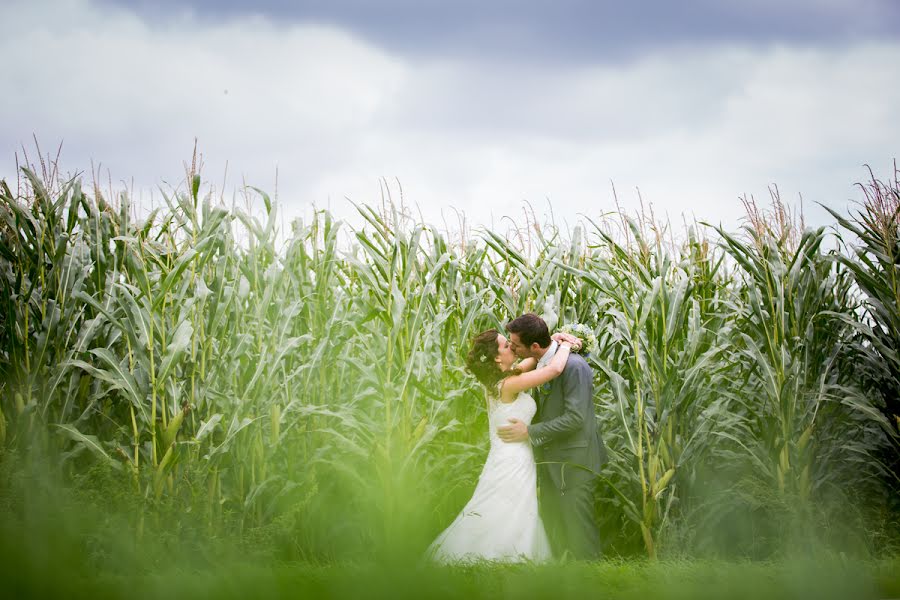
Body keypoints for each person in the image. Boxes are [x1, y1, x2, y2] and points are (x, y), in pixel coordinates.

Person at [426, 327, 580, 563]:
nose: (512, 346)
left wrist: (555, 341)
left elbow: (532, 360)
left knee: (507, 508)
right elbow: (554, 369)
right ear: (497, 358)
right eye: (506, 345)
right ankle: (499, 558)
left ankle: (504, 559)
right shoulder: (507, 385)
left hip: (509, 455)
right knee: (507, 509)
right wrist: (568, 345)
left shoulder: (502, 380)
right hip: (512, 458)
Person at [498, 313, 606, 560]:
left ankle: (595, 581)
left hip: (575, 460)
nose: (512, 348)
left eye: (515, 344)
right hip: (551, 461)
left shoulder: (574, 366)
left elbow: (576, 418)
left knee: (580, 529)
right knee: (554, 528)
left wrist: (530, 432)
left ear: (534, 346)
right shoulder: (540, 362)